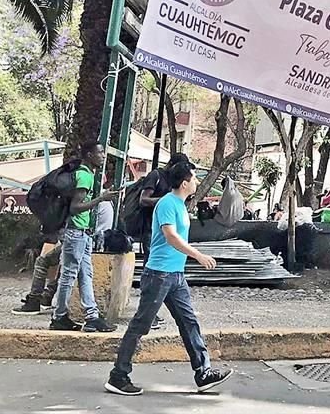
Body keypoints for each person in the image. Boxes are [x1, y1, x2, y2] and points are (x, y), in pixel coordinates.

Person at [105, 160, 233, 396]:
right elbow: (171, 236)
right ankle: (118, 376)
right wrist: (198, 255)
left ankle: (203, 373)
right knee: (141, 325)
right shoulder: (166, 204)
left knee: (189, 322)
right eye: (194, 178)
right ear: (184, 183)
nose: (197, 182)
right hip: (159, 274)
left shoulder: (180, 205)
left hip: (175, 276)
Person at [50, 142, 118, 333]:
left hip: (83, 233)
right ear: (89, 155)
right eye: (99, 152)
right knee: (69, 275)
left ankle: (92, 316)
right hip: (76, 232)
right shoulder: (84, 176)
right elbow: (75, 207)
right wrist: (101, 199)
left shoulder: (86, 174)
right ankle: (59, 316)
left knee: (85, 274)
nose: (103, 156)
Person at [12, 231, 62, 315]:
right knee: (66, 268)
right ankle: (47, 295)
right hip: (83, 240)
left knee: (42, 262)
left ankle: (34, 299)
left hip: (74, 239)